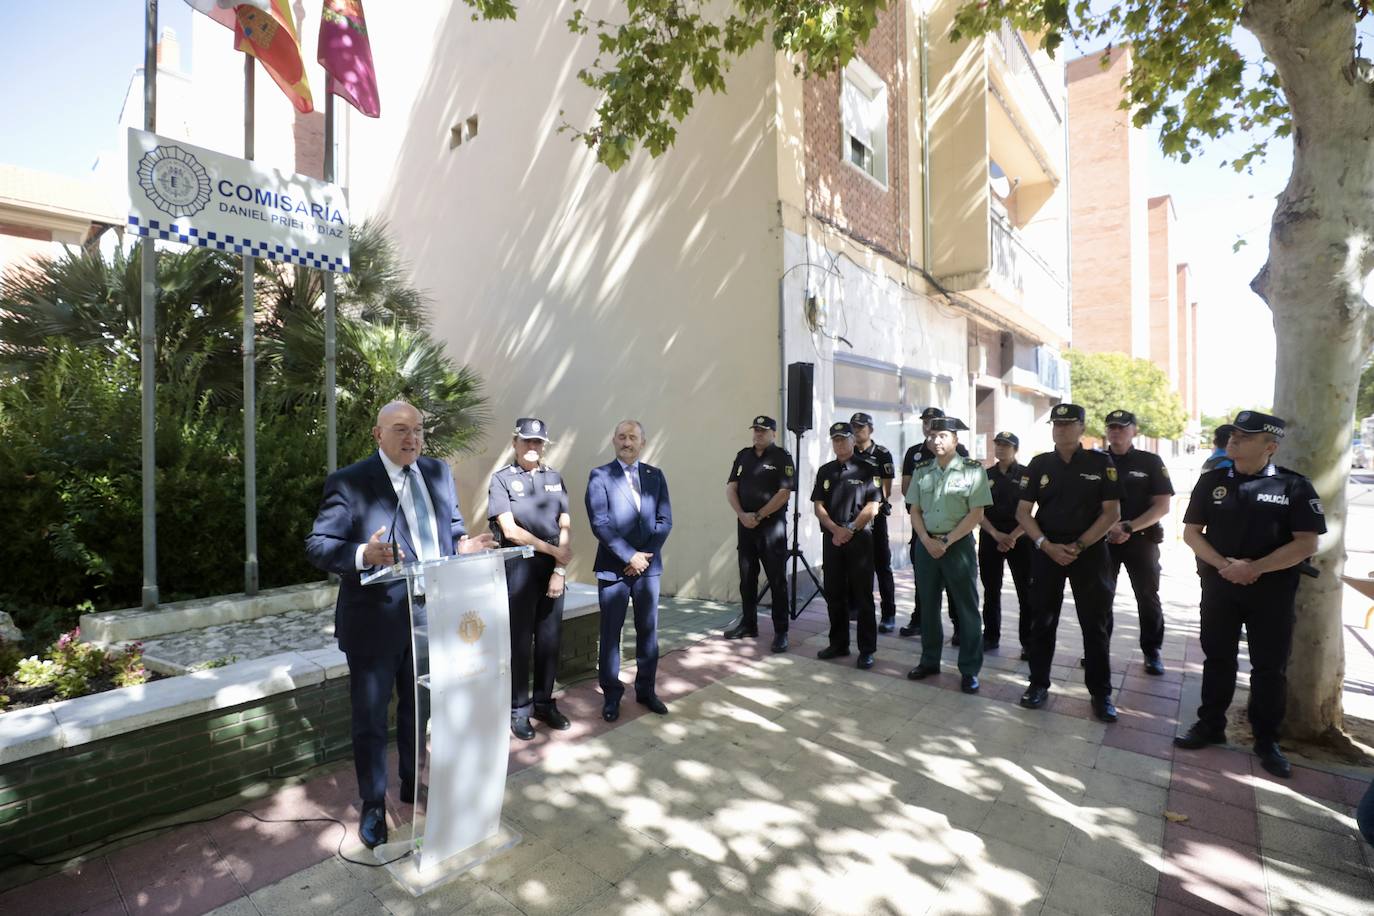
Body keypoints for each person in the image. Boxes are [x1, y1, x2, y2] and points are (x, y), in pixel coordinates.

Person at [305, 400, 495, 849]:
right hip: (375, 621)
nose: (411, 438)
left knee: (419, 709)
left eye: (418, 430)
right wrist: (361, 555)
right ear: (378, 435)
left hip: (433, 614)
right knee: (371, 718)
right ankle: (373, 804)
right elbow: (318, 545)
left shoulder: (436, 472)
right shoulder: (350, 482)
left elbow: (450, 528)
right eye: (400, 429)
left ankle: (413, 783)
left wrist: (463, 547)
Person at [1174, 410, 1325, 779]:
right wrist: (1225, 565)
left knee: (1269, 668)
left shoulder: (1294, 486)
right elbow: (1192, 532)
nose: (1235, 439)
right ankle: (1210, 724)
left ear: (1270, 446)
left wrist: (1255, 568)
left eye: (1246, 436)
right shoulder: (1211, 481)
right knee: (1217, 658)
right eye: (1235, 434)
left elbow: (1307, 543)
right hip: (1219, 587)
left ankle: (1266, 739)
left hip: (1271, 592)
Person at [1015, 403, 1122, 722]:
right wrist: (1045, 545)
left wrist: (1077, 545)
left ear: (1081, 428)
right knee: (1042, 621)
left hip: (1087, 553)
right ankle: (1037, 684)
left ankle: (1101, 694)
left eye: (1068, 423)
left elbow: (1112, 513)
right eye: (1056, 424)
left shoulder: (1101, 463)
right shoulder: (1038, 464)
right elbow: (1023, 512)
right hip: (1047, 552)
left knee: (1095, 624)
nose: (1060, 428)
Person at [489, 418, 573, 740]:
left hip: (552, 569)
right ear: (515, 443)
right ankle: (519, 709)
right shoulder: (501, 480)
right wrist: (552, 551)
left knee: (549, 640)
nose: (533, 447)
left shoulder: (554, 477)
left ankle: (543, 703)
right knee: (520, 642)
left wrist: (560, 568)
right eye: (527, 441)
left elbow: (565, 522)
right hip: (519, 568)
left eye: (538, 442)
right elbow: (509, 530)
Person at [586, 420, 673, 722]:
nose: (627, 442)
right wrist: (628, 555)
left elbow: (665, 521)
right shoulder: (600, 476)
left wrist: (643, 558)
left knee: (648, 632)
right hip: (614, 569)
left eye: (632, 437)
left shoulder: (655, 476)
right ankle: (611, 695)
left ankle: (646, 690)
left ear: (642, 443)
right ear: (613, 441)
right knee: (611, 634)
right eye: (621, 437)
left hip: (647, 569)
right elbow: (600, 523)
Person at [905, 417, 992, 693]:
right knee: (927, 606)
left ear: (955, 440)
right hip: (926, 545)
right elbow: (915, 510)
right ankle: (930, 660)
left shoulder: (973, 470)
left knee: (966, 608)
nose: (936, 440)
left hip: (957, 546)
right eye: (932, 435)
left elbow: (976, 513)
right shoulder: (922, 470)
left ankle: (969, 669)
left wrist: (946, 540)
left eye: (943, 435)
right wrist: (925, 540)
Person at [1102, 410, 1174, 676]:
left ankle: (1152, 651)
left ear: (1135, 430)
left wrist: (1128, 527)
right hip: (1104, 540)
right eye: (1111, 427)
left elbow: (1162, 505)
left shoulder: (1150, 462)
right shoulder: (1096, 461)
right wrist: (1110, 528)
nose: (1116, 431)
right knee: (1100, 597)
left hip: (1141, 539)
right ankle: (1098, 648)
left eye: (1122, 427)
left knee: (1147, 596)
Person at [811, 421, 883, 669]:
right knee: (834, 593)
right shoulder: (825, 471)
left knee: (863, 596)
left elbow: (873, 506)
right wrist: (835, 529)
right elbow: (818, 506)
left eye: (843, 439)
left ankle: (867, 649)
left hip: (859, 537)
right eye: (835, 440)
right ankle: (838, 643)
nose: (839, 443)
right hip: (832, 538)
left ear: (853, 441)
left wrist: (850, 529)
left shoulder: (867, 468)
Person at [724, 415, 795, 652]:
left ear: (773, 433)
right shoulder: (743, 455)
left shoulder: (781, 457)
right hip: (745, 526)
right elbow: (731, 487)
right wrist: (742, 514)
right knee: (747, 579)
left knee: (777, 581)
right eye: (755, 430)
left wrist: (759, 515)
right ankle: (748, 624)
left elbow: (784, 492)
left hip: (771, 529)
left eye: (763, 431)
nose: (758, 434)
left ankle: (781, 631)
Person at [898, 407, 968, 639]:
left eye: (933, 421)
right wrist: (921, 511)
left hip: (952, 530)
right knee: (924, 580)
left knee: (954, 582)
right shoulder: (914, 453)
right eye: (925, 422)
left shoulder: (961, 452)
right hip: (923, 527)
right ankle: (919, 621)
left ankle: (959, 627)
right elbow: (908, 488)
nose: (928, 425)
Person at [979, 431, 1032, 656]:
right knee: (991, 590)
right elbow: (977, 510)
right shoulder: (985, 474)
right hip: (991, 536)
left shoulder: (1028, 474)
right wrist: (996, 534)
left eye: (1006, 445)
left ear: (1015, 449)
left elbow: (1032, 511)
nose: (1000, 448)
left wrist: (1012, 536)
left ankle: (1028, 643)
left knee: (1026, 592)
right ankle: (991, 636)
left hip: (1020, 538)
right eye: (998, 444)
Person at [851, 412, 899, 632]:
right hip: (852, 517)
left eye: (861, 427)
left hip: (875, 516)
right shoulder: (848, 452)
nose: (857, 431)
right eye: (854, 427)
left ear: (871, 429)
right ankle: (858, 608)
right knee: (857, 566)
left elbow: (887, 488)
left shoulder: (881, 454)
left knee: (882, 566)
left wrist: (874, 505)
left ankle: (888, 614)